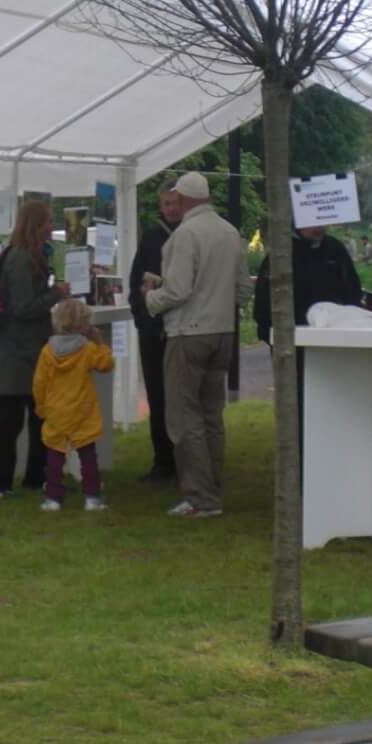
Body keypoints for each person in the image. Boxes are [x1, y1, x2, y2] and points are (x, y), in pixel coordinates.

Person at [144, 171, 252, 518]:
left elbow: (177, 291)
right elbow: (242, 290)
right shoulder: (230, 232)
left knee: (184, 417)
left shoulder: (185, 235)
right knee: (211, 415)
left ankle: (200, 498)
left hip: (188, 335)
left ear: (185, 198)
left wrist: (151, 296)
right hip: (223, 333)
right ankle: (211, 488)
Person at [0, 200, 67, 498]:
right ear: (34, 224)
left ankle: (35, 477)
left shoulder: (30, 256)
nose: (51, 227)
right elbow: (22, 307)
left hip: (28, 350)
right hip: (18, 351)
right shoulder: (20, 260)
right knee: (9, 420)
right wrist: (56, 294)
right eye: (48, 222)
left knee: (36, 416)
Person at [253, 224, 362, 440]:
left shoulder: (335, 250)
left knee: (330, 403)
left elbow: (352, 292)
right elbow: (263, 303)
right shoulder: (282, 254)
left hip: (332, 346)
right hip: (293, 346)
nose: (319, 227)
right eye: (313, 223)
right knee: (296, 405)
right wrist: (271, 336)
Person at [31, 297, 116, 512]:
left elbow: (39, 383)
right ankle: (92, 497)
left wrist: (41, 407)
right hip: (82, 410)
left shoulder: (47, 351)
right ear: (81, 325)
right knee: (88, 457)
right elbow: (106, 364)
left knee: (54, 457)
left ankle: (53, 498)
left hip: (56, 410)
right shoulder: (87, 349)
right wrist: (101, 343)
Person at [127, 181, 184, 482]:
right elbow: (135, 283)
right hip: (153, 332)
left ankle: (186, 459)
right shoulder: (151, 238)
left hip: (183, 330)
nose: (171, 209)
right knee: (158, 397)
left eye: (175, 202)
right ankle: (163, 460)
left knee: (183, 399)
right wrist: (143, 319)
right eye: (166, 203)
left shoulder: (191, 235)